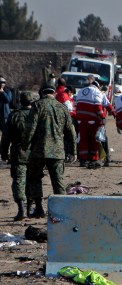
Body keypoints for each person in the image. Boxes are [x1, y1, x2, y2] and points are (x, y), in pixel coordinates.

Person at [22, 86, 76, 218]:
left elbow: (31, 129)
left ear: (42, 93)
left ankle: (39, 208)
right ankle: (62, 210)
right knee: (58, 181)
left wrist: (25, 146)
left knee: (35, 178)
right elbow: (71, 131)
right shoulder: (62, 107)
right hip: (57, 151)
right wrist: (73, 151)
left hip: (38, 151)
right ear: (54, 93)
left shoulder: (37, 106)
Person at [1, 92, 37, 220]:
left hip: (18, 152)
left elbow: (6, 137)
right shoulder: (36, 115)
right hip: (35, 153)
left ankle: (21, 209)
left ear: (20, 101)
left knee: (18, 181)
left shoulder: (14, 116)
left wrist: (4, 153)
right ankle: (30, 208)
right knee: (32, 181)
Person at [75, 80, 112, 168]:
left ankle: (83, 160)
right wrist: (103, 116)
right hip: (93, 120)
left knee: (83, 139)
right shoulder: (97, 92)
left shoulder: (80, 91)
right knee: (94, 140)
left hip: (80, 120)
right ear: (98, 86)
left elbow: (76, 104)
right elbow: (99, 106)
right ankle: (93, 158)